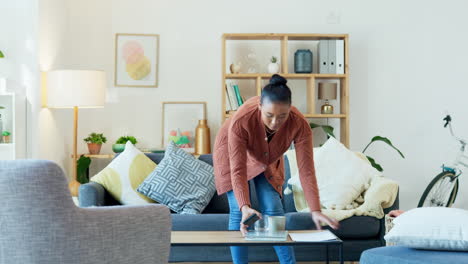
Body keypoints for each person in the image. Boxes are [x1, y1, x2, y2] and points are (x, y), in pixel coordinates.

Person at [213, 74, 340, 264]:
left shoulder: (299, 124)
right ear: (259, 108)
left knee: (273, 209)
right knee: (239, 213)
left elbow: (306, 170)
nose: (275, 123)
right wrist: (245, 206)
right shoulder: (242, 120)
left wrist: (315, 209)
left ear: (290, 110)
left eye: (282, 116)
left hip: (266, 158)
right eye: (269, 115)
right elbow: (238, 170)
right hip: (231, 155)